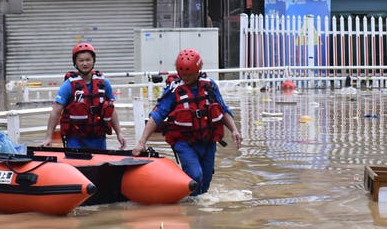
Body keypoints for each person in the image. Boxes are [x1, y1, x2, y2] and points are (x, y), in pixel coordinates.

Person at [132, 48, 241, 196]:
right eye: (183, 75)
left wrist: (234, 130)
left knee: (205, 184)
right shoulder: (174, 90)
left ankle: (198, 212)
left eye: (190, 75)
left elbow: (222, 109)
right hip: (184, 143)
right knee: (196, 176)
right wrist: (142, 142)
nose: (186, 78)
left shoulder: (210, 86)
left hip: (208, 141)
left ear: (199, 70)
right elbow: (156, 116)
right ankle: (190, 211)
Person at [41, 42, 127, 150]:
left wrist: (119, 133)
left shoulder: (104, 83)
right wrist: (49, 137)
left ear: (93, 61)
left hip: (98, 137)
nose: (85, 63)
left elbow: (111, 110)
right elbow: (56, 111)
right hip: (75, 138)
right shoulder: (68, 85)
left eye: (88, 60)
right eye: (81, 60)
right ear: (75, 63)